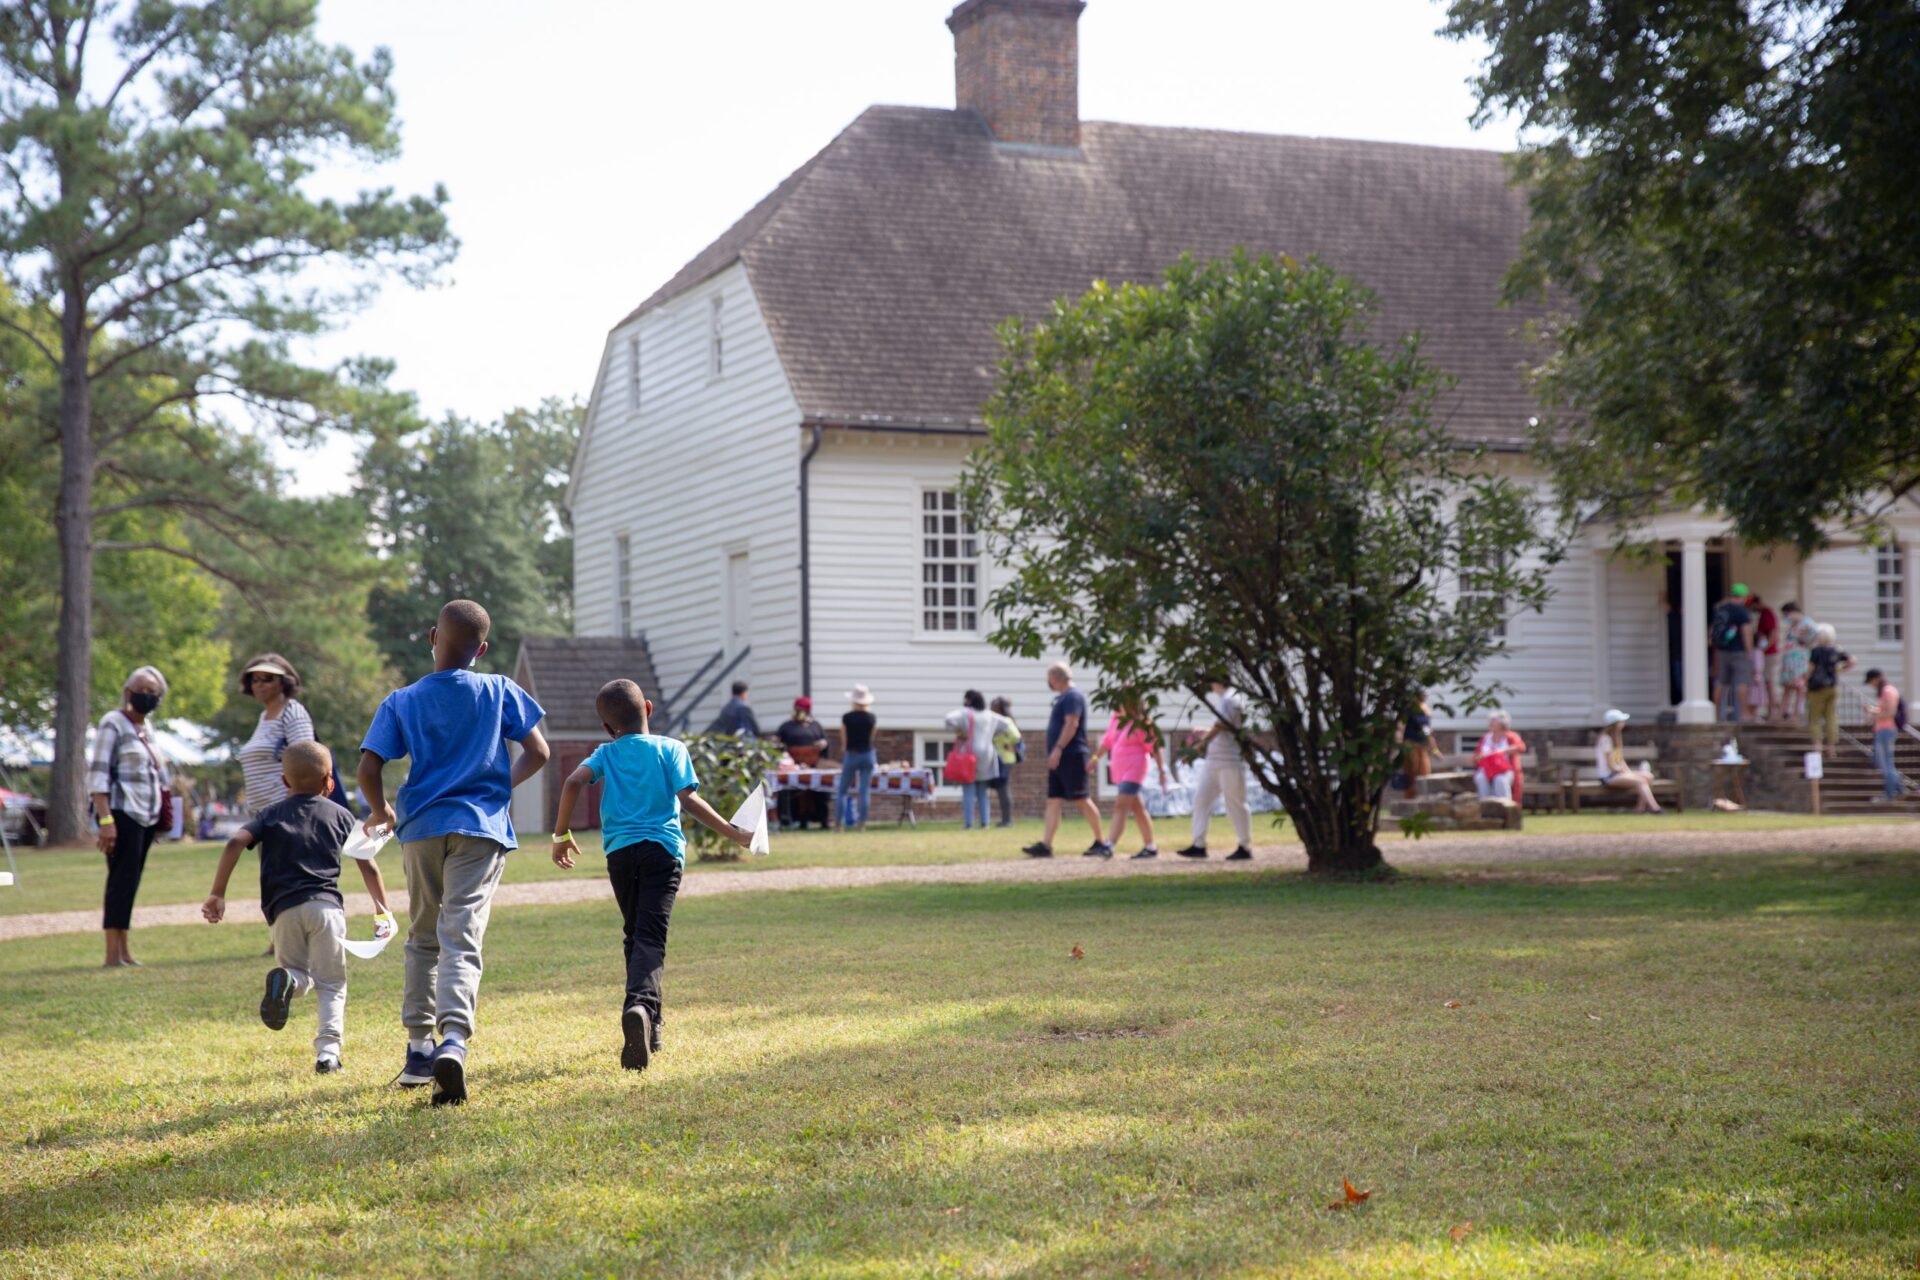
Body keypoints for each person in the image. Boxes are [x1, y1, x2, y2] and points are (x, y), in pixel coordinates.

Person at [356, 599, 551, 1107]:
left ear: (432, 639)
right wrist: (497, 789)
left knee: (423, 935)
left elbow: (369, 767)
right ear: (481, 650)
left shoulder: (401, 700)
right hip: (481, 828)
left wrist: (381, 811)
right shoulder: (499, 689)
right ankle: (455, 1041)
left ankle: (419, 1050)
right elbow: (540, 751)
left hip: (421, 828)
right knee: (461, 934)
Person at [550, 679, 752, 1071]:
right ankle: (641, 1007)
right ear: (648, 707)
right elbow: (688, 799)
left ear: (608, 728)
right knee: (650, 936)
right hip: (662, 853)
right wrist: (734, 833)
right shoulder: (670, 748)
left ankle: (650, 1023)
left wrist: (561, 835)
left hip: (621, 855)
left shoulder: (605, 753)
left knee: (635, 933)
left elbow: (574, 781)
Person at [201, 742, 394, 1074]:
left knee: (299, 973)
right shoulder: (340, 815)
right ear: (329, 782)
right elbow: (368, 865)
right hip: (327, 909)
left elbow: (235, 842)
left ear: (284, 781)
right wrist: (383, 912)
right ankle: (328, 1055)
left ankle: (288, 979)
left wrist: (217, 893)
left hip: (283, 912)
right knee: (331, 983)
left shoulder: (270, 814)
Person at [87, 665, 172, 969]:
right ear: (127, 692)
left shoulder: (147, 729)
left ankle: (124, 950)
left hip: (145, 817)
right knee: (120, 880)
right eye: (141, 689)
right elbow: (97, 774)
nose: (146, 696)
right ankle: (111, 953)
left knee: (131, 881)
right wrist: (105, 820)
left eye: (152, 692)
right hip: (122, 814)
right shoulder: (113, 723)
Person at [1022, 664, 1106, 858]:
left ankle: (1101, 841)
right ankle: (1046, 845)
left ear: (1055, 678)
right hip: (1059, 758)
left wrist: (1058, 749)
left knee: (1081, 799)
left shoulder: (1073, 696)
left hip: (1072, 755)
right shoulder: (1062, 698)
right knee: (1053, 800)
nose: (1049, 682)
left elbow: (1072, 723)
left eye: (1049, 678)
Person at [1175, 680, 1253, 861]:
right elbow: (1222, 727)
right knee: (1201, 800)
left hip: (1230, 760)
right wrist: (1205, 734)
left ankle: (1244, 846)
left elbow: (1221, 726)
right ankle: (1198, 844)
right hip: (1214, 760)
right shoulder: (1225, 699)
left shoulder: (1231, 698)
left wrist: (1199, 746)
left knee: (1235, 803)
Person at [236, 654, 317, 814]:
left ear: (283, 683)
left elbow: (308, 762)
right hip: (262, 813)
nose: (260, 684)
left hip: (286, 811)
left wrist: (292, 805)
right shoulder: (263, 717)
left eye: (267, 678)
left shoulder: (292, 712)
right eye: (255, 680)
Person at [1092, 705, 1169, 859]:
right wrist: (1095, 759)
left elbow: (1155, 748)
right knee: (1137, 808)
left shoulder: (1141, 723)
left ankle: (1109, 844)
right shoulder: (1116, 719)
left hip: (1135, 768)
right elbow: (1107, 740)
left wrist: (1162, 771)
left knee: (1120, 805)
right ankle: (1150, 846)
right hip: (1120, 770)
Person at [944, 690, 1010, 831]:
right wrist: (992, 733)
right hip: (987, 753)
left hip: (969, 753)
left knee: (968, 789)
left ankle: (969, 823)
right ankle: (985, 823)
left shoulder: (966, 713)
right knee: (982, 790)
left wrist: (960, 731)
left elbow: (948, 719)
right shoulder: (989, 715)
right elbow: (1006, 724)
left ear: (969, 700)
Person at [773, 697, 830, 830]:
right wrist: (776, 742)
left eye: (801, 710)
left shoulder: (815, 725)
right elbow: (777, 740)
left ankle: (822, 820)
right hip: (793, 767)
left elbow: (825, 741)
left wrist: (823, 744)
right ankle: (790, 821)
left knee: (821, 788)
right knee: (789, 791)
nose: (799, 713)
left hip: (813, 766)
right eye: (797, 710)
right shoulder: (787, 726)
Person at [1593, 709, 1664, 813]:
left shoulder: (1616, 738)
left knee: (1648, 776)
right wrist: (1624, 772)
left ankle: (1640, 808)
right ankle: (1655, 808)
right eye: (1621, 721)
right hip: (1609, 777)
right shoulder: (1605, 739)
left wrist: (1629, 772)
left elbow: (1620, 760)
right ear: (1615, 724)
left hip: (1618, 774)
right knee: (1640, 781)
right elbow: (1610, 765)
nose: (1623, 723)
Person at [1709, 584, 1756, 722]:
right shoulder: (1742, 612)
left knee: (1721, 682)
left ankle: (1717, 715)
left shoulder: (1720, 610)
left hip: (1722, 651)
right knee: (1741, 682)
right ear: (1743, 596)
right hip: (1739, 651)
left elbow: (1712, 630)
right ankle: (1744, 713)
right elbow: (1746, 633)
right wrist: (1749, 651)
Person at [836, 685, 878, 830]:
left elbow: (843, 738)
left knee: (842, 790)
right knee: (864, 790)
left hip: (852, 753)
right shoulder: (871, 718)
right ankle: (862, 824)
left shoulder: (847, 717)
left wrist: (845, 748)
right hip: (868, 754)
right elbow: (872, 737)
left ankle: (838, 824)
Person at [1805, 624, 1852, 749]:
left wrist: (1805, 681)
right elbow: (1851, 660)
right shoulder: (1837, 650)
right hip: (1832, 686)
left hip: (1817, 687)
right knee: (1831, 716)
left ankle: (1817, 745)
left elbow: (1810, 669)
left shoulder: (1816, 651)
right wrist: (1841, 669)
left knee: (1814, 716)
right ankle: (1831, 747)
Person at [1864, 668, 1906, 803]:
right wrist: (1873, 710)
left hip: (1886, 730)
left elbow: (1890, 712)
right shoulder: (1885, 691)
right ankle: (1900, 789)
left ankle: (1889, 794)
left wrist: (1874, 716)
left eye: (1871, 681)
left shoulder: (1888, 691)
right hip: (1882, 729)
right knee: (1884, 762)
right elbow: (1884, 710)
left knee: (1885, 763)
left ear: (1876, 678)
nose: (1871, 684)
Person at [1473, 710, 1525, 803]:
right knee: (1480, 778)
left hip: (1504, 769)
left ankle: (1506, 808)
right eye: (1490, 720)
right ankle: (1485, 807)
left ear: (1502, 723)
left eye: (1493, 721)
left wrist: (1502, 751)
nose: (1490, 723)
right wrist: (1482, 756)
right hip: (1487, 769)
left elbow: (1520, 747)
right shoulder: (1485, 738)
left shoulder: (1510, 737)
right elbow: (1476, 756)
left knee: (1500, 780)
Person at [1777, 602, 1816, 723]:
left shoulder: (1807, 624)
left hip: (1799, 661)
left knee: (1799, 688)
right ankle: (1782, 714)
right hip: (1790, 661)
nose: (1786, 617)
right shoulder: (1795, 624)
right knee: (1787, 688)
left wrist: (1803, 640)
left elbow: (1812, 638)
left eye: (1787, 614)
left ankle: (1796, 715)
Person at [988, 697, 1021, 827]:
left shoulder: (1005, 721)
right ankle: (1004, 819)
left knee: (1003, 789)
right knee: (1001, 788)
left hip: (1005, 759)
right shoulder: (996, 720)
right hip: (999, 758)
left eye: (993, 706)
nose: (991, 708)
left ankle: (1007, 820)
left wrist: (1008, 744)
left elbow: (1016, 736)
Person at [1751, 593, 1780, 721]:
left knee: (1769, 682)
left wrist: (1765, 649)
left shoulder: (1767, 613)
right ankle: (1769, 711)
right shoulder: (1762, 614)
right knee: (1765, 682)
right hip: (1764, 654)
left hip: (1769, 654)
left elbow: (1773, 634)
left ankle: (1772, 712)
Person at [1399, 697, 1434, 800]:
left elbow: (1427, 731)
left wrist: (1435, 749)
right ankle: (1410, 799)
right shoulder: (1410, 710)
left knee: (1425, 772)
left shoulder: (1425, 711)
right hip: (1410, 744)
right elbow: (1401, 725)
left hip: (1422, 746)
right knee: (1411, 773)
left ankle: (1423, 798)